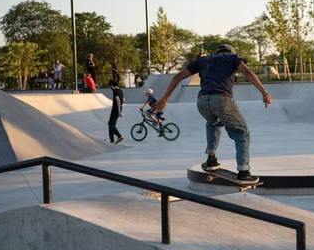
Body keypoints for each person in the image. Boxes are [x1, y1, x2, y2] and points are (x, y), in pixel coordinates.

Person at [152, 44, 272, 184]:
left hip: (202, 102)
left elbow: (178, 77)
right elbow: (249, 73)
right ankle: (244, 172)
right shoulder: (232, 58)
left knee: (213, 123)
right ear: (231, 52)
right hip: (221, 100)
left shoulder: (203, 60)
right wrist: (264, 93)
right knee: (242, 132)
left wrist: (164, 99)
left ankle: (211, 159)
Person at [108, 79, 124, 144]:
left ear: (112, 85)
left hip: (115, 110)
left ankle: (112, 141)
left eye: (110, 86)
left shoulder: (115, 91)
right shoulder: (120, 90)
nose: (110, 88)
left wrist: (119, 111)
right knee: (111, 124)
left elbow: (118, 100)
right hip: (118, 109)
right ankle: (119, 136)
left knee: (111, 126)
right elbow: (123, 100)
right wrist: (120, 107)